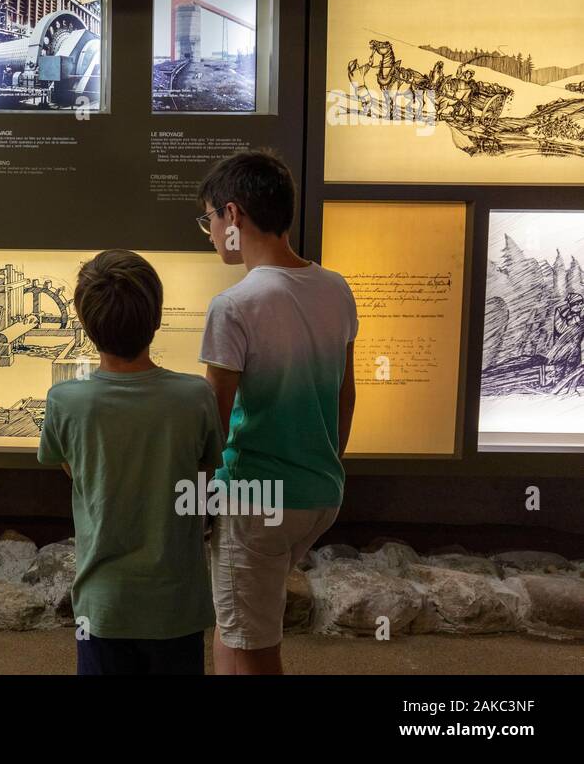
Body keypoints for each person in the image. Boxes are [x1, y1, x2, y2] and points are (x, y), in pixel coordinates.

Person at [196, 150, 358, 675]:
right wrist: (323, 461)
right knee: (239, 622)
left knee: (253, 648)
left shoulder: (236, 305)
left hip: (256, 500)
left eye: (211, 219)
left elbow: (213, 423)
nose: (212, 232)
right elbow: (345, 394)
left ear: (234, 216)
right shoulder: (335, 288)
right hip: (320, 493)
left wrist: (200, 498)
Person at [38, 249, 224, 675]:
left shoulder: (64, 402)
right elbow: (206, 470)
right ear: (157, 318)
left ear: (85, 325)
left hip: (103, 604)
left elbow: (74, 469)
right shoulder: (195, 397)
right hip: (175, 604)